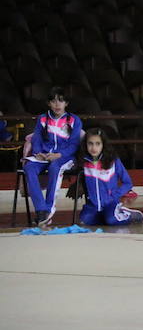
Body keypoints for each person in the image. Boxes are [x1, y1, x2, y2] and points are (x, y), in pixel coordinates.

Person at [23, 87, 83, 228]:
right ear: (49, 103)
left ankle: (49, 211)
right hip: (44, 156)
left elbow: (74, 145)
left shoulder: (74, 120)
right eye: (54, 101)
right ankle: (41, 210)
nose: (57, 104)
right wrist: (39, 153)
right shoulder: (42, 119)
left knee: (54, 167)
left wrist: (59, 154)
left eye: (61, 101)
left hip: (65, 157)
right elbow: (36, 139)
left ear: (66, 103)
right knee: (29, 167)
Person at [78, 128, 143, 225]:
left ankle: (128, 215)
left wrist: (114, 196)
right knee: (85, 221)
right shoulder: (83, 161)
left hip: (110, 203)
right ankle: (106, 216)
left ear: (103, 144)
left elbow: (128, 182)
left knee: (112, 220)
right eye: (90, 143)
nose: (94, 148)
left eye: (97, 144)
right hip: (93, 205)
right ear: (86, 144)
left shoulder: (113, 160)